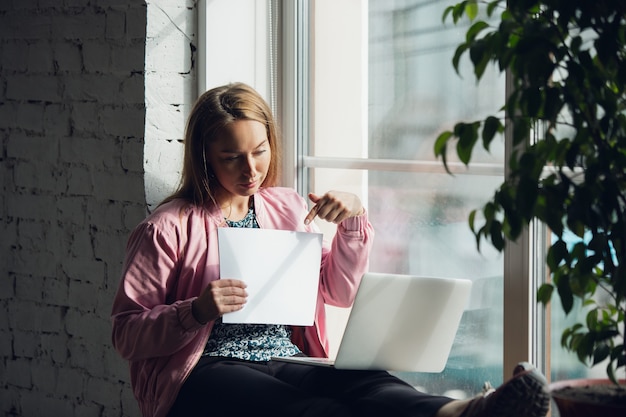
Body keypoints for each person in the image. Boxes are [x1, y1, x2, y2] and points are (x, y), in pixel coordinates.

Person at [111, 82, 551, 417]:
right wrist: (196, 311)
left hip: (284, 355)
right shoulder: (166, 229)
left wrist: (353, 222)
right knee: (318, 412)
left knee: (372, 383)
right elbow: (126, 334)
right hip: (203, 370)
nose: (251, 169)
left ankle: (465, 412)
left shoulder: (285, 207)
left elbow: (337, 292)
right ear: (205, 156)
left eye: (259, 151)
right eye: (231, 157)